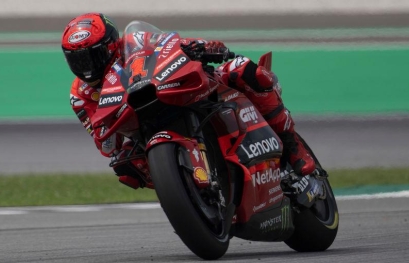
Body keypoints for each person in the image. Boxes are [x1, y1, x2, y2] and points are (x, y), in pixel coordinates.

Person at [61, 13, 323, 198]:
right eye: (77, 60)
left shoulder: (135, 42)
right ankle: (189, 190)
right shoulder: (80, 94)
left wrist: (200, 46)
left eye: (91, 56)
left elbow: (171, 43)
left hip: (176, 88)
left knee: (241, 69)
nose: (86, 66)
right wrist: (115, 142)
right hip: (140, 127)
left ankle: (293, 147)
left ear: (110, 45)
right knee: (126, 168)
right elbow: (105, 144)